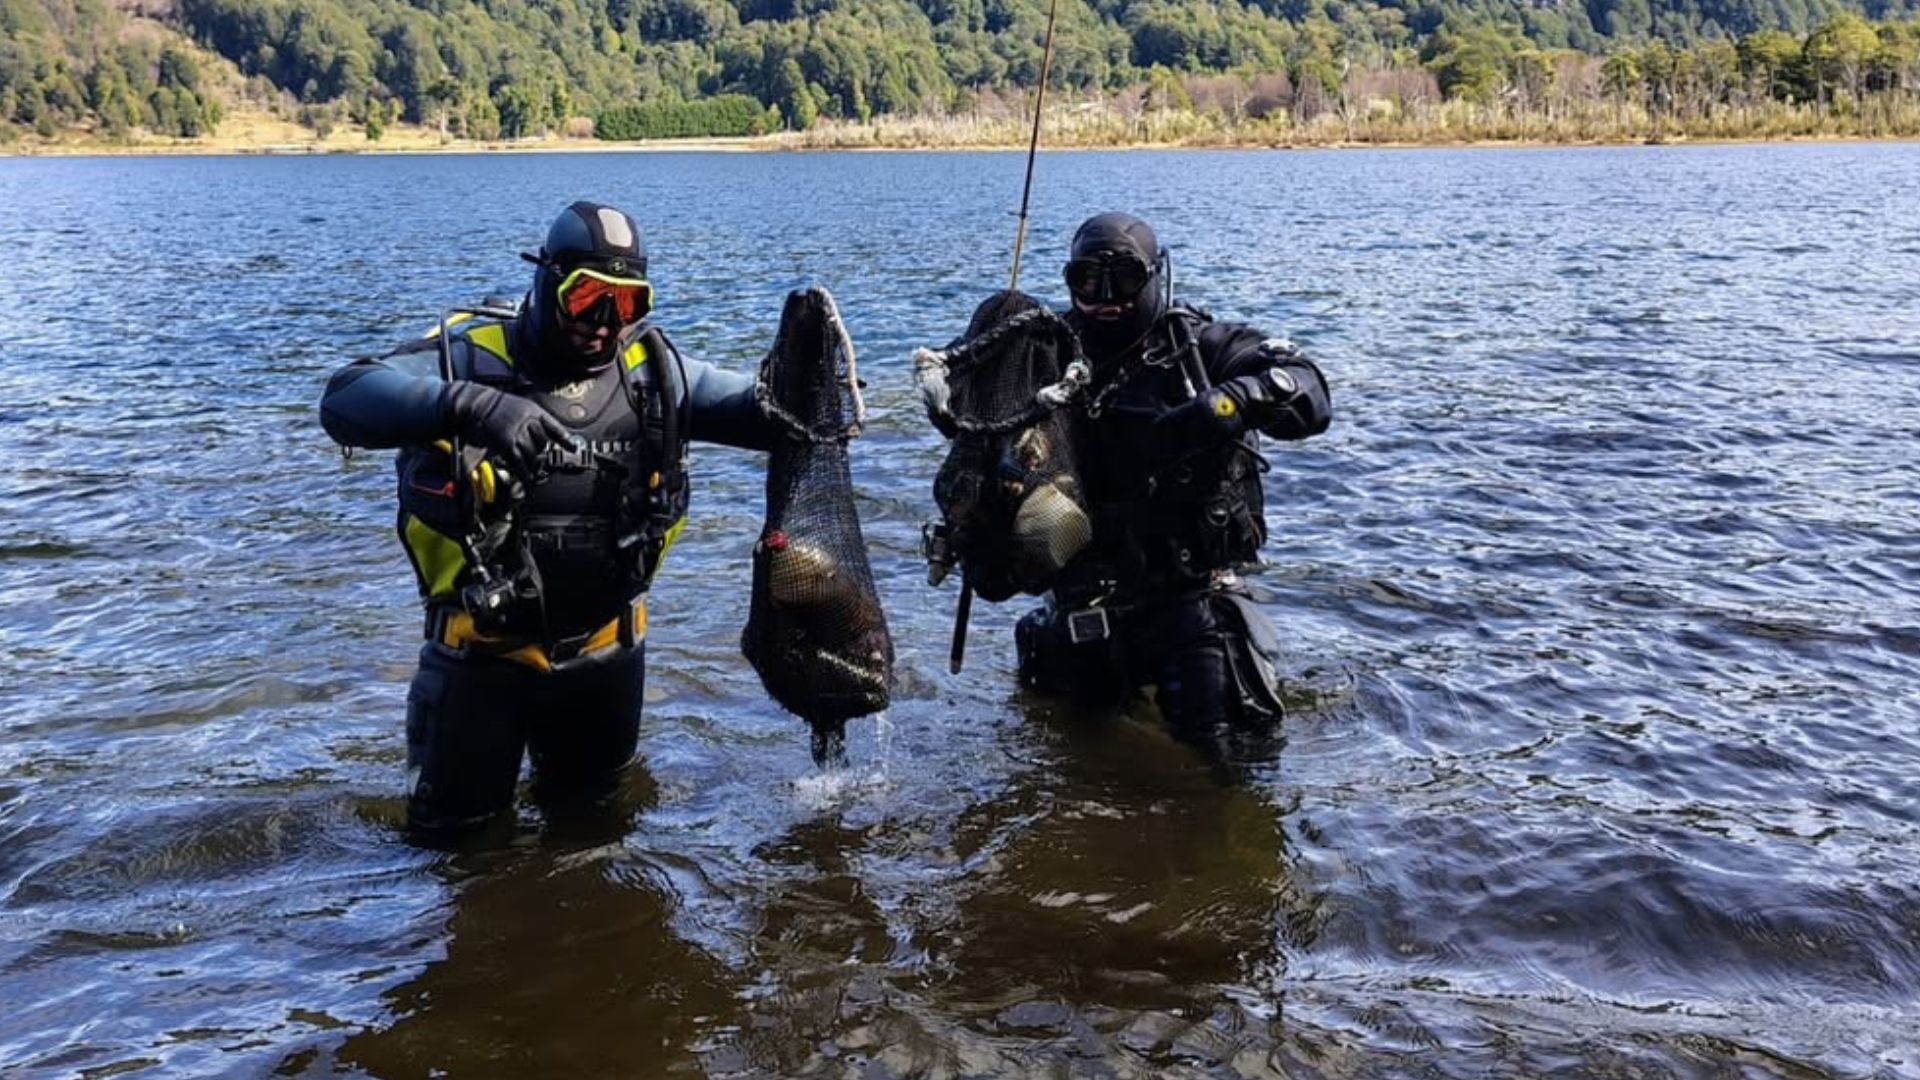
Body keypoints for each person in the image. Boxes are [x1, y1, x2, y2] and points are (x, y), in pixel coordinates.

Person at [320, 201, 781, 838]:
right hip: (479, 665)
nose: (604, 324)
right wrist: (469, 406)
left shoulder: (652, 372)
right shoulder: (470, 358)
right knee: (460, 850)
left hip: (604, 662)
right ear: (545, 280)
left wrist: (813, 378)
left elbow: (771, 416)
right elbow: (345, 398)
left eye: (627, 303)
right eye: (587, 297)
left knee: (600, 840)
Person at [1013, 211, 1332, 743]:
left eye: (1125, 278)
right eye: (1088, 281)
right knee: (1060, 754)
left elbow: (1310, 390)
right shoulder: (1046, 357)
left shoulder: (1199, 348)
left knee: (1231, 759)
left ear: (1156, 276)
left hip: (1187, 600)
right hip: (1083, 598)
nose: (1107, 296)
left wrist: (1231, 403)